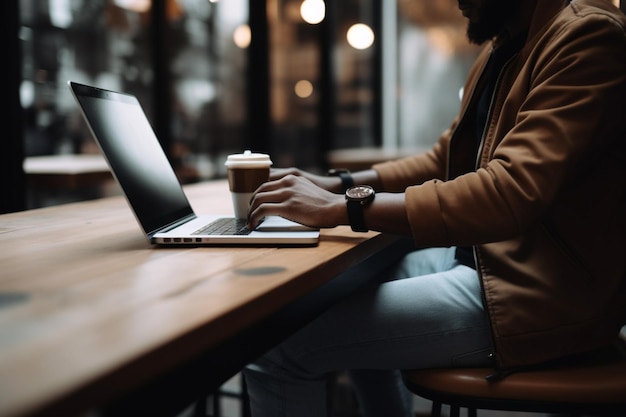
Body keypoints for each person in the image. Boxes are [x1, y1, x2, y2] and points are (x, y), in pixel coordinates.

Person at [243, 0, 626, 416]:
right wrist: (339, 184)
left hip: (539, 294)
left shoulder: (589, 36)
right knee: (339, 297)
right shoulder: (505, 47)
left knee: (278, 350)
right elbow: (441, 161)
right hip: (490, 262)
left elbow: (508, 192)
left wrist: (342, 207)